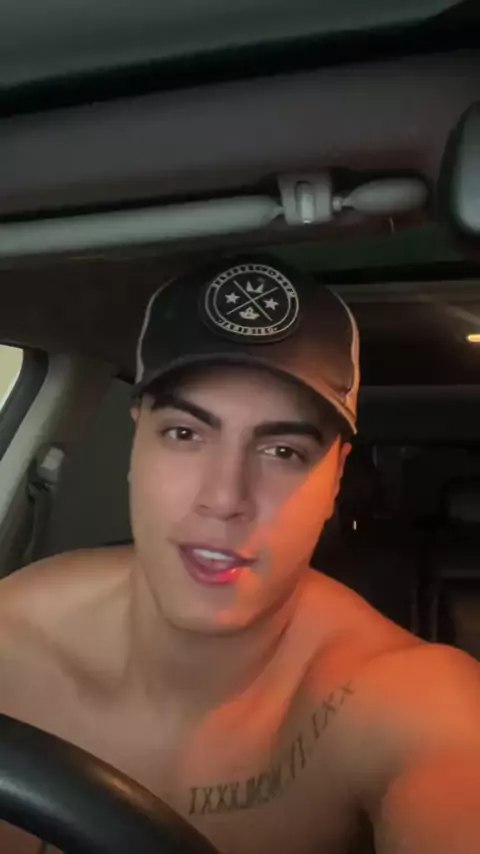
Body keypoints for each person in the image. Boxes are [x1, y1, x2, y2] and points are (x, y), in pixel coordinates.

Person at [0, 254, 478, 854]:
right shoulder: (13, 639)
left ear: (336, 478)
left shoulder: (408, 700)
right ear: (136, 442)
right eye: (185, 434)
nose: (225, 499)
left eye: (282, 452)